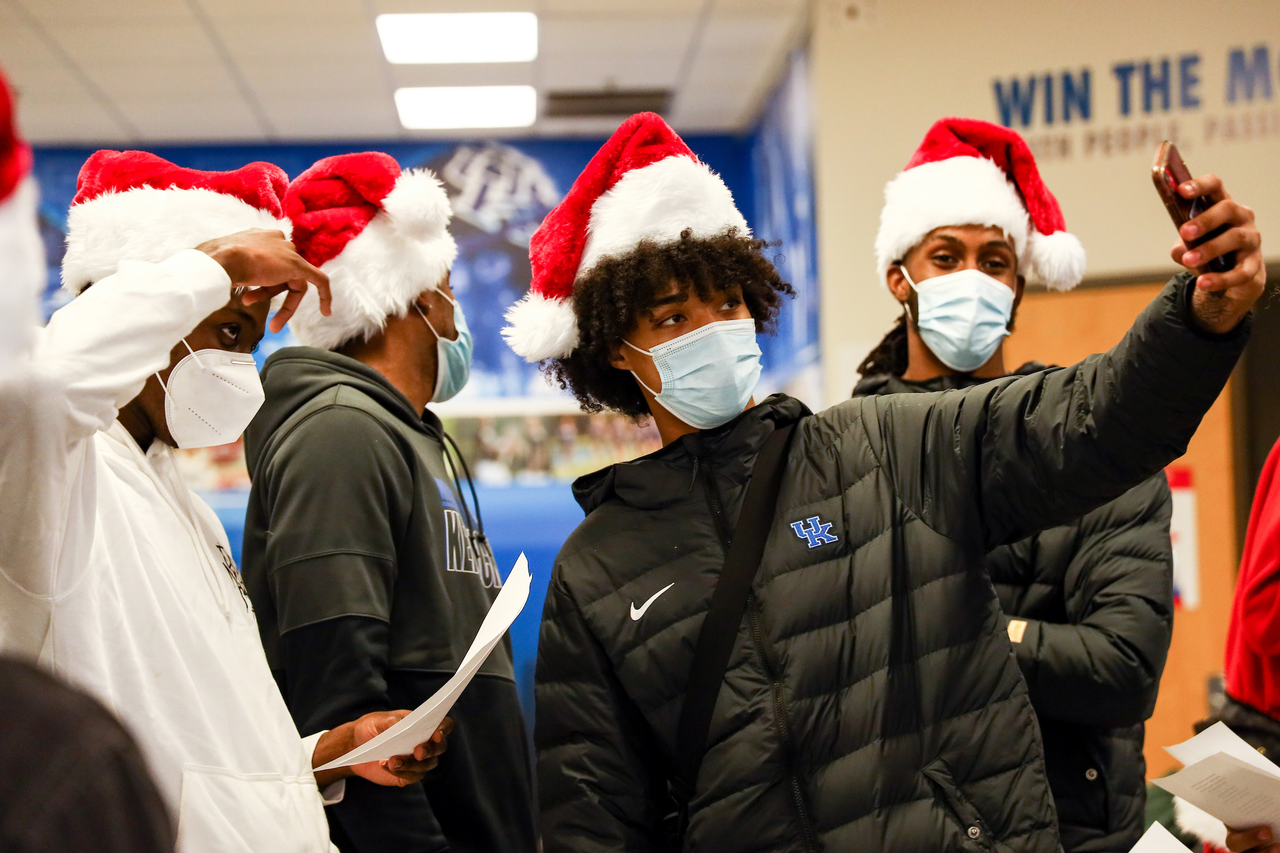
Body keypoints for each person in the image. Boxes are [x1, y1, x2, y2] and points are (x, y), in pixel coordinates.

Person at [503, 112, 1265, 852]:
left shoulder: (873, 448)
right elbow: (591, 816)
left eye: (727, 302)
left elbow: (1091, 415)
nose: (709, 329)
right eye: (672, 317)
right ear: (616, 351)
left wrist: (1200, 317)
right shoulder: (596, 567)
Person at [0, 150, 450, 852]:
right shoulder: (58, 478)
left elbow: (201, 742)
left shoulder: (184, 505)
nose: (243, 370)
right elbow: (40, 390)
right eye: (230, 334)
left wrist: (328, 752)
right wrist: (215, 267)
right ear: (147, 315)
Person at [853, 118, 1175, 853]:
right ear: (899, 278)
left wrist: (943, 634)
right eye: (945, 256)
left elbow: (1121, 665)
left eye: (994, 259)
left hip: (1071, 829)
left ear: (1019, 283)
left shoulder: (1094, 447)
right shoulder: (839, 455)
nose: (972, 277)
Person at [240, 152, 538, 853]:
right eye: (450, 287)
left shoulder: (404, 437)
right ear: (420, 299)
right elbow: (341, 707)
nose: (457, 309)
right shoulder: (341, 433)